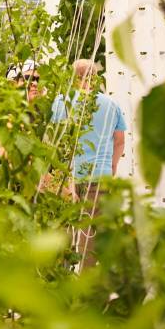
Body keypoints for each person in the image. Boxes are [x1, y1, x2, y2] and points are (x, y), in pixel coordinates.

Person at [50, 58, 126, 268]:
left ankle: (59, 281)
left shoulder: (61, 102)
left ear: (73, 78)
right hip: (99, 178)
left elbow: (55, 141)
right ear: (94, 78)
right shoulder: (111, 105)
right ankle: (88, 284)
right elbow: (120, 141)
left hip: (67, 179)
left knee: (63, 237)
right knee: (89, 243)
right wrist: (112, 166)